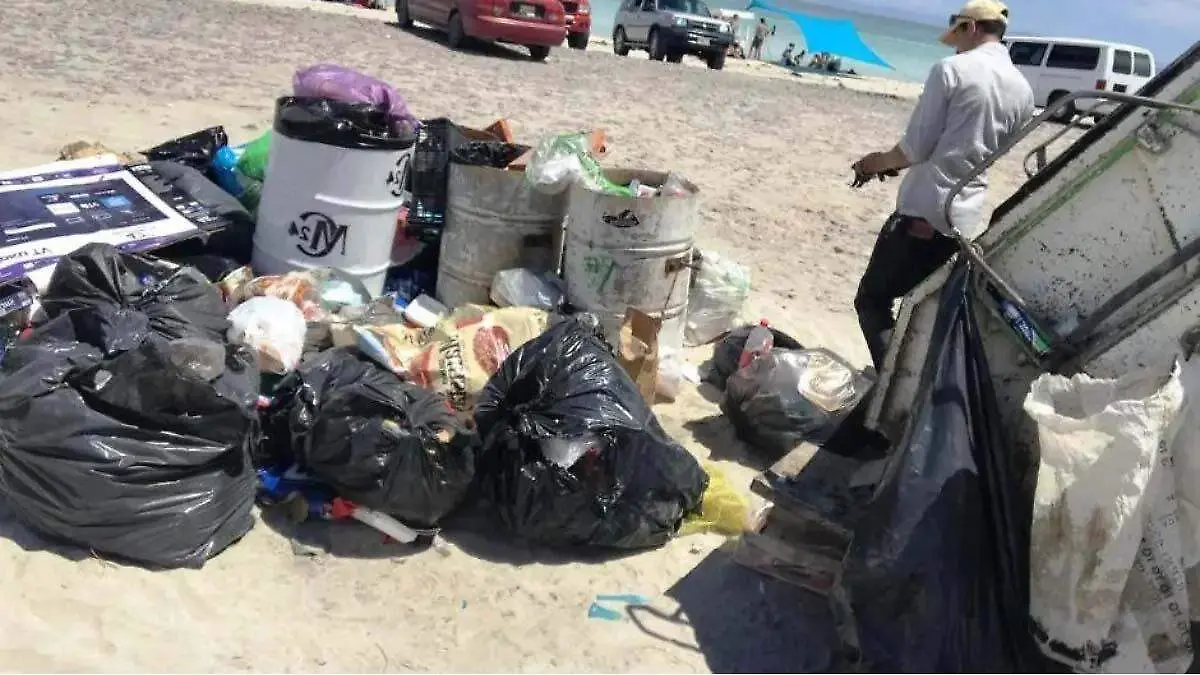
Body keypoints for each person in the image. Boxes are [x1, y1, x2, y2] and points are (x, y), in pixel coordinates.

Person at [850, 0, 1034, 369]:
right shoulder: (1024, 91)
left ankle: (893, 388)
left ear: (970, 28)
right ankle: (906, 380)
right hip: (963, 220)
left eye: (958, 37)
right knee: (919, 309)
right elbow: (975, 150)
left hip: (923, 209)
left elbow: (915, 148)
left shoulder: (952, 70)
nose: (955, 46)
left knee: (871, 300)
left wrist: (874, 163)